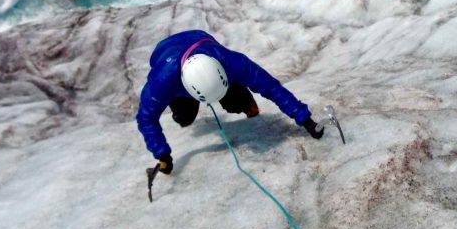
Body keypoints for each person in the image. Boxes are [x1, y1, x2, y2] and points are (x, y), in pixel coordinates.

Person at [136, 30, 323, 174]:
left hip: (200, 41)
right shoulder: (162, 82)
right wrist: (162, 154)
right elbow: (146, 118)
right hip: (166, 53)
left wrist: (305, 119)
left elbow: (272, 88)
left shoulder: (232, 62)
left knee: (235, 101)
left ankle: (244, 101)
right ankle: (191, 109)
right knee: (184, 118)